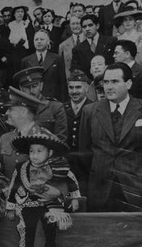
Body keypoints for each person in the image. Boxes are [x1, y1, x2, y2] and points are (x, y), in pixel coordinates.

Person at [6, 127, 80, 247]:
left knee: (51, 227)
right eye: (32, 151)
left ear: (50, 153)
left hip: (50, 204)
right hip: (28, 204)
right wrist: (11, 206)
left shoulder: (58, 167)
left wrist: (74, 197)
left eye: (39, 151)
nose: (34, 155)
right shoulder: (22, 168)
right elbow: (13, 186)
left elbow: (71, 180)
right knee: (28, 230)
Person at [80, 63, 142, 211]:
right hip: (99, 191)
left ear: (128, 83)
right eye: (106, 82)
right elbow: (84, 154)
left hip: (135, 191)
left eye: (115, 81)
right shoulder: (90, 111)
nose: (108, 86)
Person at [0, 86, 45, 179]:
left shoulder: (44, 138)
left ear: (23, 111)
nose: (7, 113)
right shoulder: (5, 138)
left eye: (11, 109)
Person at [13, 67, 68, 141]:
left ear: (41, 85)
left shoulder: (55, 107)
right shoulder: (16, 109)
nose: (32, 91)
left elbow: (61, 140)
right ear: (21, 88)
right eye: (27, 87)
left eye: (35, 86)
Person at [63, 70, 92, 194]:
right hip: (66, 163)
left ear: (86, 88)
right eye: (71, 87)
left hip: (87, 163)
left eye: (78, 87)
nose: (74, 91)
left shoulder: (94, 108)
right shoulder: (62, 108)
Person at [22, 29, 68, 102]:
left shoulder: (57, 58)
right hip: (33, 99)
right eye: (36, 39)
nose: (39, 41)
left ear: (48, 42)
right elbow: (23, 85)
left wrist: (63, 102)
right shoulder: (26, 61)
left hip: (53, 100)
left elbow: (62, 82)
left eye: (42, 39)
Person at [71, 14, 117, 80]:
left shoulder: (110, 42)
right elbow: (75, 70)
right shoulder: (78, 49)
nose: (87, 29)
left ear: (97, 26)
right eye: (84, 27)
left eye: (90, 25)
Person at [7, 5, 35, 84]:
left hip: (25, 53)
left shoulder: (27, 24)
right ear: (14, 14)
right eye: (18, 12)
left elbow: (31, 40)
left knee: (26, 74)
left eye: (22, 12)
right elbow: (7, 41)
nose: (20, 14)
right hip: (13, 53)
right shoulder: (10, 25)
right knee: (15, 73)